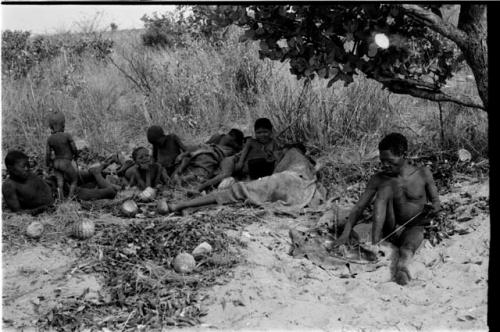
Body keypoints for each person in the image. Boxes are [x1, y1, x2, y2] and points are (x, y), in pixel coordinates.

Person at [330, 133, 441, 285]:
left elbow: (436, 203)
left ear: (404, 155)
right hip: (389, 227)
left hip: (413, 226)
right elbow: (359, 207)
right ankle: (376, 243)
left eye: (390, 161)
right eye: (382, 161)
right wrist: (346, 233)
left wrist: (432, 210)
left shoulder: (423, 173)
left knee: (408, 247)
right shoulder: (379, 178)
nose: (385, 165)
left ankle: (402, 268)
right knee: (385, 187)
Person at [163, 145, 325, 215]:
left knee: (237, 191)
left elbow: (277, 172)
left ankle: (179, 205)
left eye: (276, 152)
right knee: (241, 195)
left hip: (287, 181)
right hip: (297, 188)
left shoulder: (291, 152)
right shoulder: (306, 162)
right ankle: (191, 207)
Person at [3, 150, 117, 214]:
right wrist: (42, 209)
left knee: (83, 176)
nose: (28, 168)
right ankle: (96, 173)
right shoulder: (9, 186)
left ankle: (97, 172)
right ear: (10, 168)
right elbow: (18, 213)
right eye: (23, 166)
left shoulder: (26, 174)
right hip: (65, 196)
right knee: (111, 192)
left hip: (58, 183)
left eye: (28, 165)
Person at [171, 129, 244, 187]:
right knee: (189, 166)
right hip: (202, 154)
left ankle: (181, 178)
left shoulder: (230, 150)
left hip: (208, 157)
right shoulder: (218, 139)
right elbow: (202, 145)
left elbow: (240, 149)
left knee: (197, 174)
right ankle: (179, 176)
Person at [45, 111, 78, 199]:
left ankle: (61, 200)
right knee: (74, 180)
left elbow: (48, 154)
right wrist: (76, 155)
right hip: (65, 163)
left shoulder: (50, 139)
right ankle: (70, 199)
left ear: (51, 126)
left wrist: (48, 164)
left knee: (60, 183)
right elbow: (74, 147)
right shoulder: (67, 136)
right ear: (63, 124)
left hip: (56, 163)